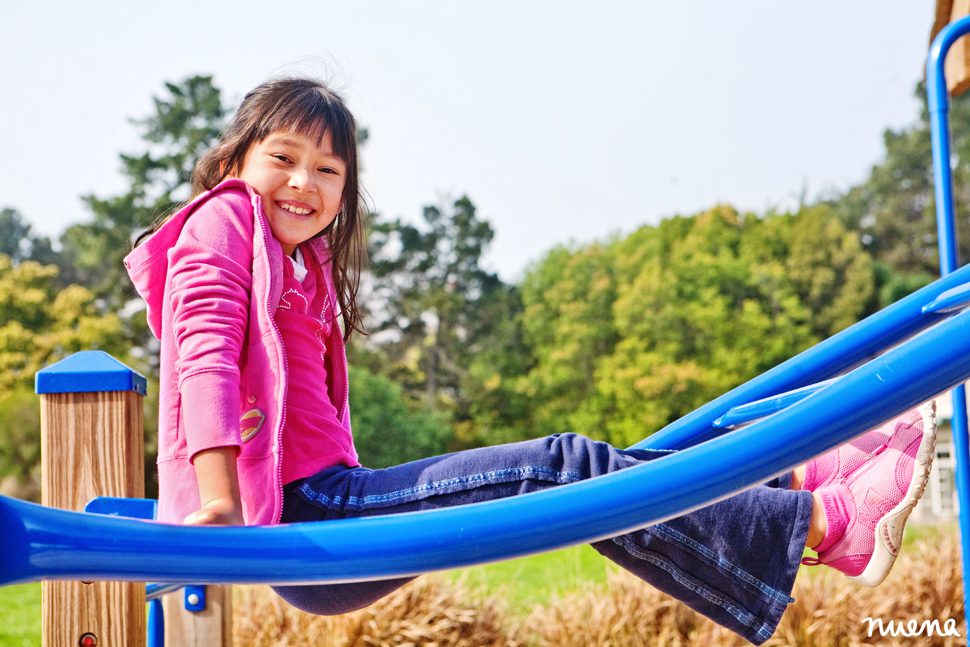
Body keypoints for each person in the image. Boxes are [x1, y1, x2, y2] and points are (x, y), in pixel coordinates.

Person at [123, 76, 937, 646]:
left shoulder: (295, 262)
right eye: (284, 158)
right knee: (560, 468)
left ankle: (795, 479)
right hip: (308, 521)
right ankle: (830, 525)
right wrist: (219, 502)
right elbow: (204, 354)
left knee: (616, 472)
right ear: (236, 161)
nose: (304, 181)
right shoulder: (221, 223)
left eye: (328, 170)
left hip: (330, 507)